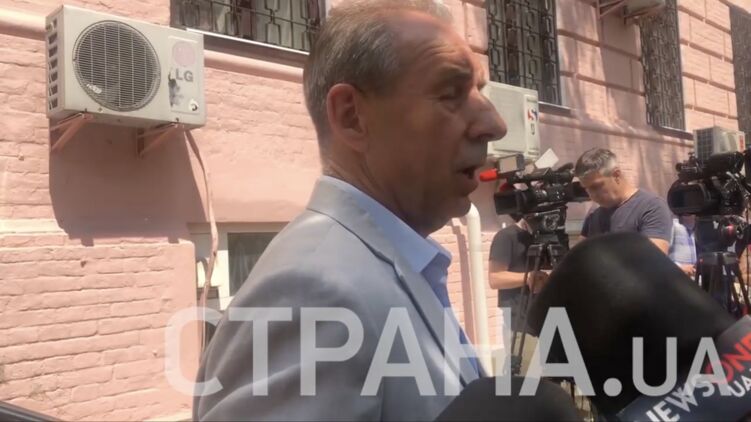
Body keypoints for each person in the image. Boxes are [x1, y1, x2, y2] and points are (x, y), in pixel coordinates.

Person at [193, 1, 507, 421]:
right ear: (352, 116)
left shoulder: (387, 263)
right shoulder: (313, 292)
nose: (494, 124)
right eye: (450, 94)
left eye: (480, 92)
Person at [575, 148, 672, 253]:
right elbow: (579, 255)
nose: (592, 195)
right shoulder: (594, 211)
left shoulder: (652, 207)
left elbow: (654, 258)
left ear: (616, 175)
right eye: (587, 189)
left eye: (596, 186)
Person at [487, 214, 547, 376]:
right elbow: (495, 278)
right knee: (527, 380)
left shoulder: (545, 237)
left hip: (547, 322)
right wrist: (528, 278)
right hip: (521, 325)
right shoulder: (506, 236)